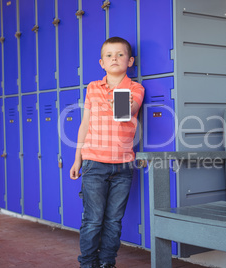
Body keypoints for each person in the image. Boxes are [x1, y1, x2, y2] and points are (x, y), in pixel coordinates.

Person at [70, 36, 145, 268]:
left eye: (120, 55)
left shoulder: (135, 88)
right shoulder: (92, 87)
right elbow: (84, 124)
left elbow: (128, 111)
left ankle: (106, 263)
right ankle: (88, 263)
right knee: (92, 220)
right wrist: (77, 159)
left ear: (130, 60)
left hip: (123, 165)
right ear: (101, 62)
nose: (115, 59)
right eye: (109, 56)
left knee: (113, 220)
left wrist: (120, 100)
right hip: (93, 163)